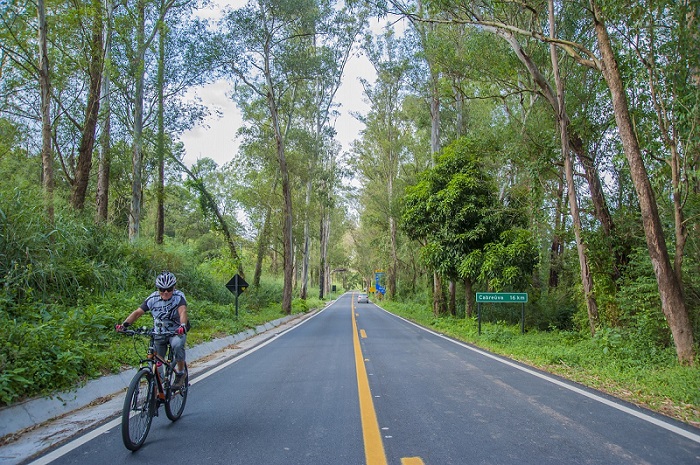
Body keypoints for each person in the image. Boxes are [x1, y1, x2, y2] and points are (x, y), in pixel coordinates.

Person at [116, 271, 189, 388]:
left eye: (169, 289)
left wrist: (183, 325)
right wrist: (124, 325)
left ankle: (180, 373)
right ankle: (157, 389)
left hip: (175, 332)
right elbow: (138, 312)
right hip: (159, 333)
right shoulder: (153, 298)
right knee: (156, 361)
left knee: (177, 345)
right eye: (162, 289)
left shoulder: (178, 297)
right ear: (158, 288)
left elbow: (182, 311)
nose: (165, 292)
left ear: (174, 288)